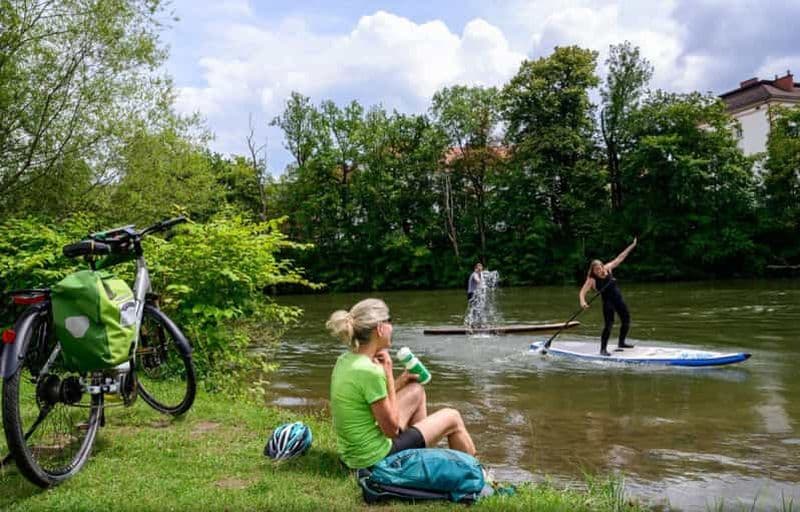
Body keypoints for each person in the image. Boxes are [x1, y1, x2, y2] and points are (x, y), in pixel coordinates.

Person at [327, 298, 476, 470]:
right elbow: (391, 430)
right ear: (380, 329)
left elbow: (368, 398)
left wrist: (400, 382)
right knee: (453, 417)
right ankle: (476, 474)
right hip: (373, 459)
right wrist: (388, 373)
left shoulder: (345, 360)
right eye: (389, 321)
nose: (392, 327)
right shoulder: (370, 371)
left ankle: (420, 459)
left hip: (353, 454)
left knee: (416, 390)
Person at [579, 238, 637, 356]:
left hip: (618, 299)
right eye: (596, 270)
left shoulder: (608, 268)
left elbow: (620, 257)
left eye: (600, 268)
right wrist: (583, 302)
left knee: (626, 320)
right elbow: (582, 292)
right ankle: (603, 350)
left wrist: (632, 245)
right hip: (608, 302)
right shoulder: (591, 279)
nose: (599, 271)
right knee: (609, 325)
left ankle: (621, 343)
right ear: (593, 271)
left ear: (602, 266)